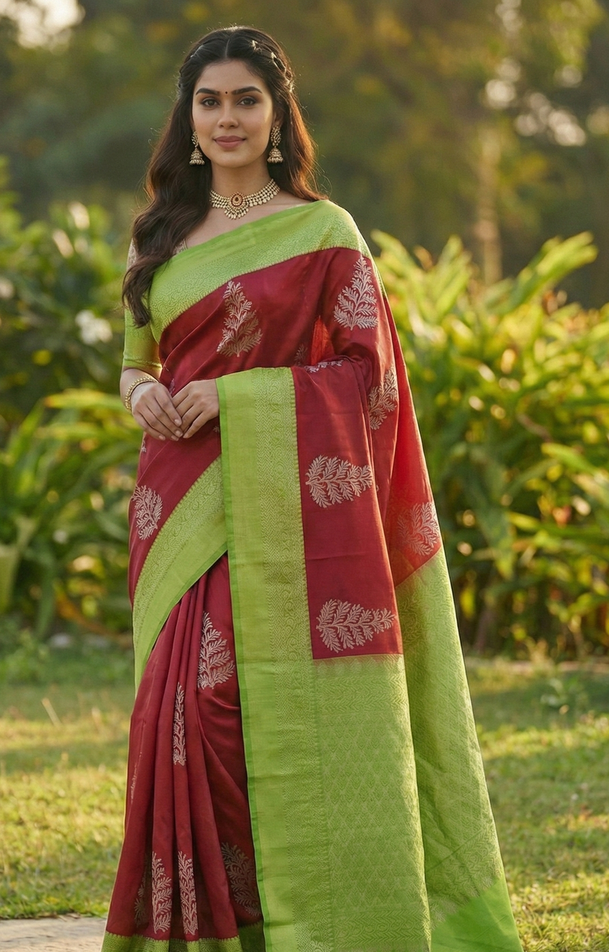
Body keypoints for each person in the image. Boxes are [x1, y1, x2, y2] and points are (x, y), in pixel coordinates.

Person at [103, 25, 523, 952]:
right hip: (179, 504)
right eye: (208, 102)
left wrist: (234, 397)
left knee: (228, 713)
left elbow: (370, 382)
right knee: (185, 718)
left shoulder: (324, 233)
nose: (225, 119)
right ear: (187, 117)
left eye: (244, 100)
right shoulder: (160, 231)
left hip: (292, 511)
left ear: (277, 114)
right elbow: (137, 359)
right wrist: (144, 394)